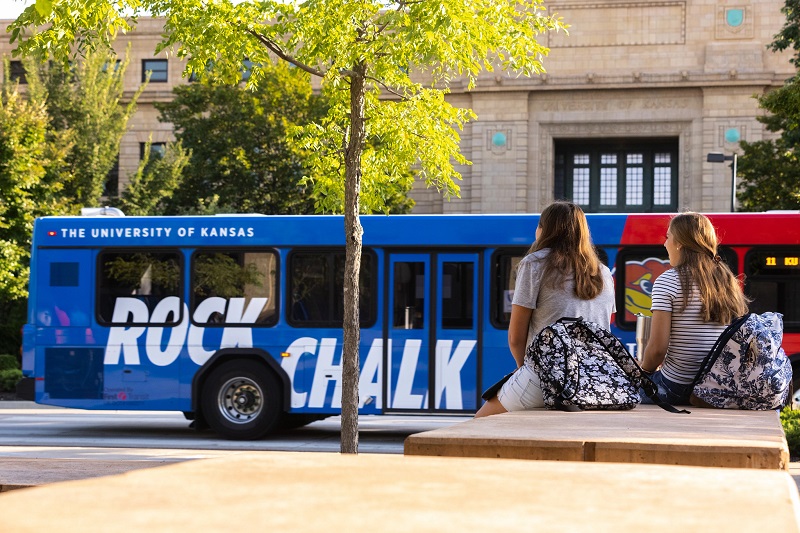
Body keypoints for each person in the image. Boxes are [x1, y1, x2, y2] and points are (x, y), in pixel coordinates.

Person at [475, 202, 615, 417]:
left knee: (480, 422)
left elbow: (515, 336)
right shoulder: (603, 272)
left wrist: (524, 369)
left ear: (544, 229)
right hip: (593, 379)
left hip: (548, 373)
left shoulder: (535, 263)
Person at [639, 212, 749, 405]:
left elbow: (657, 349)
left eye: (668, 237)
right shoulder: (726, 280)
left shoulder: (668, 281)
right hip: (718, 386)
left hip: (677, 386)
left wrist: (643, 372)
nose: (665, 244)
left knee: (623, 390)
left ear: (680, 243)